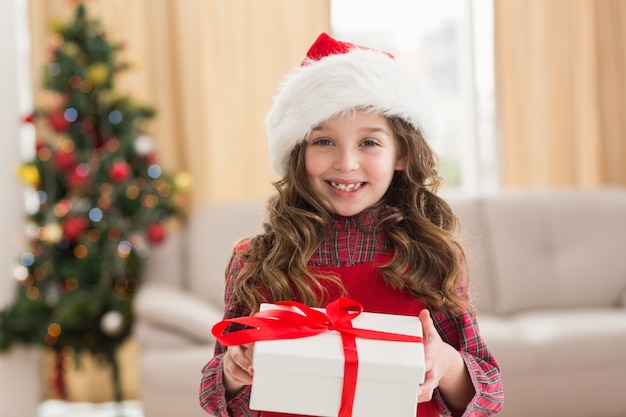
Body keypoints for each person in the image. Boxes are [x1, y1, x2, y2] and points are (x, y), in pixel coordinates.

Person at [199, 32, 503, 417]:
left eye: (369, 143)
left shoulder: (435, 259)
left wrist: (445, 364)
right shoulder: (255, 260)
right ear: (297, 153)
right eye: (323, 141)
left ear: (402, 154)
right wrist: (232, 371)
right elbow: (215, 396)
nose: (345, 163)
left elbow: (487, 398)